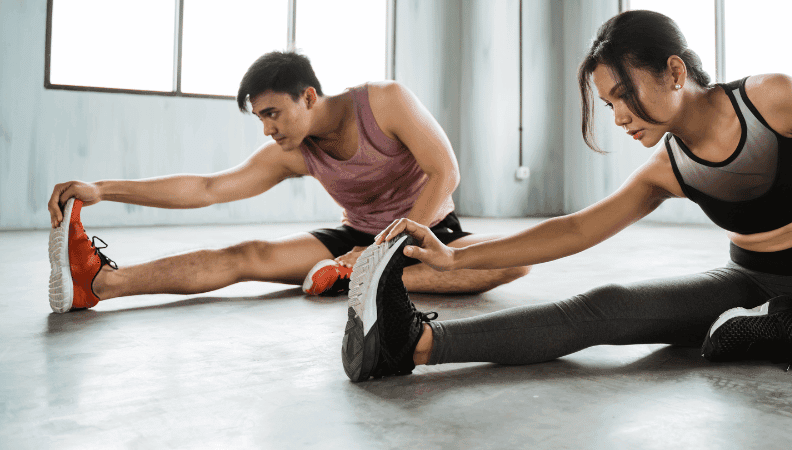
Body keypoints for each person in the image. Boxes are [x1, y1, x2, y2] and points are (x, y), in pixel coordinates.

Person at [339, 10, 792, 381]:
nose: (620, 117)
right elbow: (573, 231)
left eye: (624, 96)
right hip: (748, 284)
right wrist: (456, 258)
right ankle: (412, 346)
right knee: (608, 306)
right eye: (608, 105)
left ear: (674, 71)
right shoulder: (669, 166)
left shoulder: (773, 97)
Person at [46, 51, 530, 314]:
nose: (267, 128)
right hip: (354, 239)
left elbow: (446, 172)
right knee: (246, 255)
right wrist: (104, 189)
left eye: (273, 113)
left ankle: (363, 275)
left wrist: (388, 251)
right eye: (260, 118)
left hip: (427, 230)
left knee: (517, 262)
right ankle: (102, 285)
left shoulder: (385, 101)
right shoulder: (295, 152)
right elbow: (209, 188)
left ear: (309, 95)